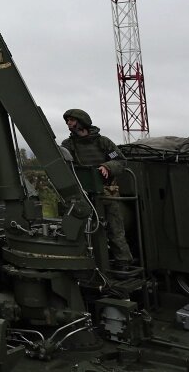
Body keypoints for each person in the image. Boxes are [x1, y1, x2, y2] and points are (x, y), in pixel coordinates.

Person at [61, 108, 134, 267]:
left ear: (81, 121)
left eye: (71, 120)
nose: (68, 123)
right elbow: (65, 167)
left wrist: (107, 166)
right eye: (67, 121)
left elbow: (120, 160)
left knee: (115, 228)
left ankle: (123, 262)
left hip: (107, 192)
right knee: (82, 229)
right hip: (82, 195)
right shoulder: (68, 145)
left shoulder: (103, 142)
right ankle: (88, 262)